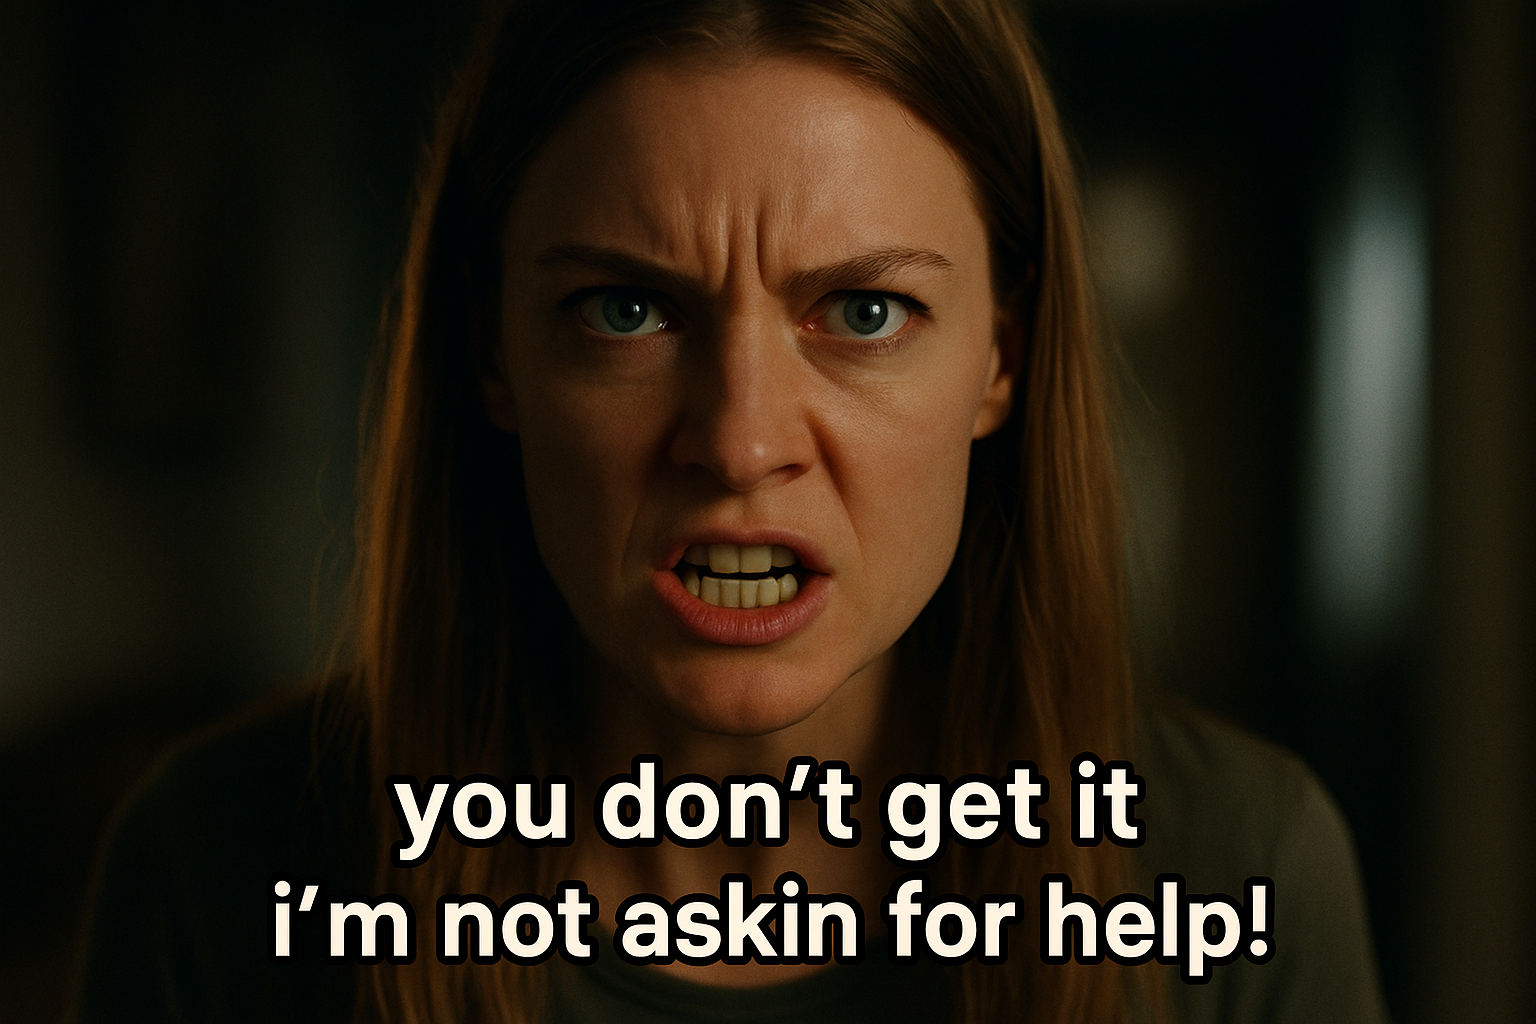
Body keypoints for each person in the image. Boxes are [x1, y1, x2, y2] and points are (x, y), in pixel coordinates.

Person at [74, 1, 1391, 1022]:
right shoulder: (221, 873)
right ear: (493, 352)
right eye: (626, 310)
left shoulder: (1236, 873)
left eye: (865, 312)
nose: (741, 442)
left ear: (1003, 354)